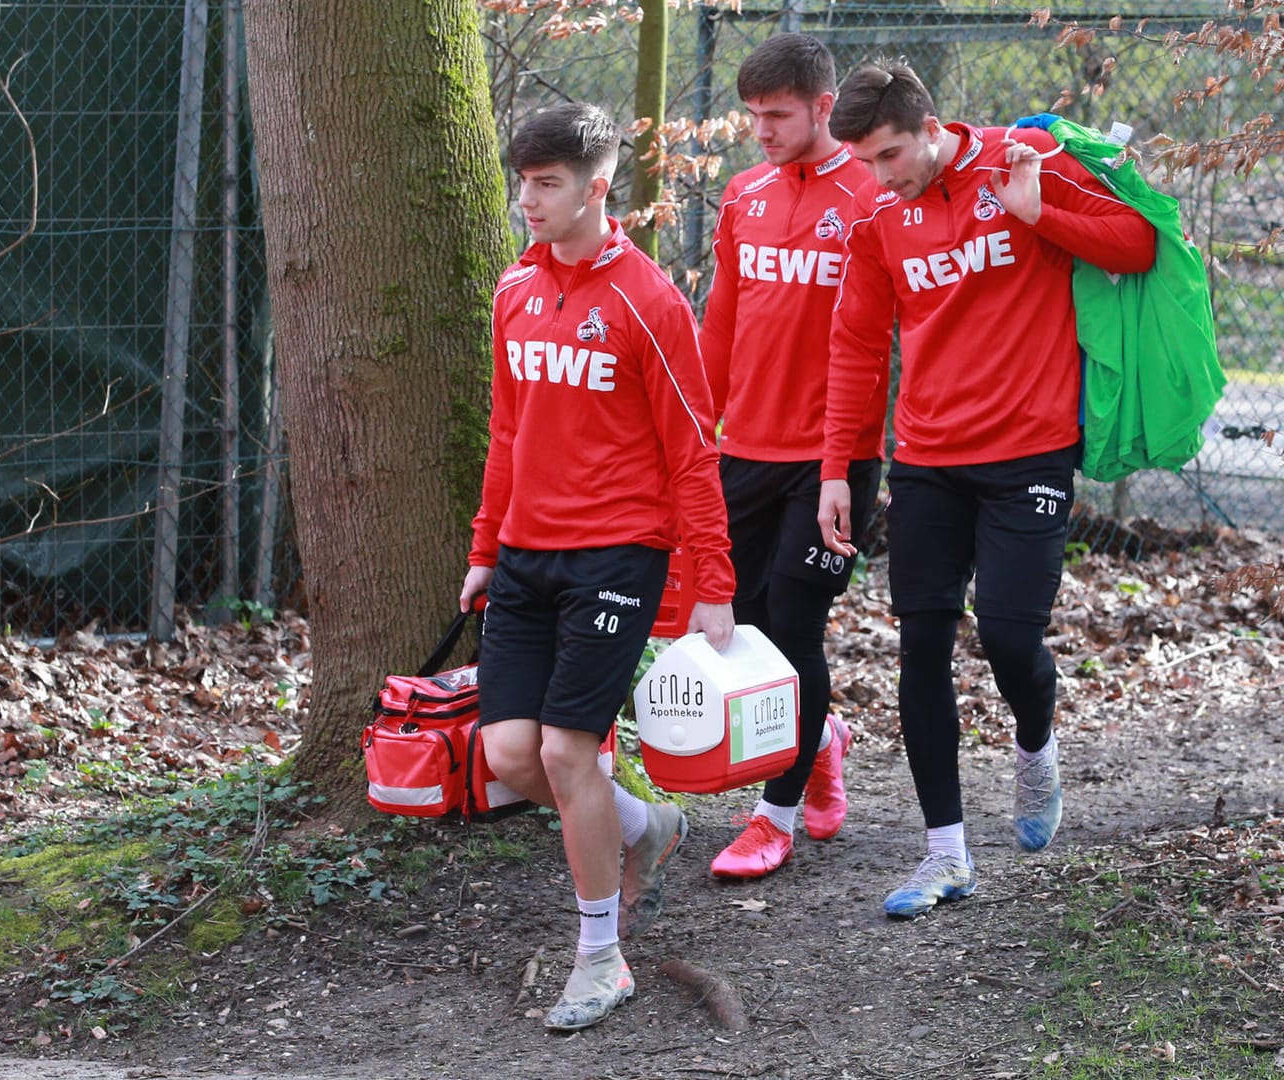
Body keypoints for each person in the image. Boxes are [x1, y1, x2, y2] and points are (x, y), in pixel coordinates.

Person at [816, 64, 1155, 916]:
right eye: (867, 162)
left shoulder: (1021, 159)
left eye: (892, 153)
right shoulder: (876, 216)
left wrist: (1041, 213)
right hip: (927, 459)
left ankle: (1036, 749)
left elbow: (1140, 242)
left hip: (1032, 452)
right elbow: (857, 347)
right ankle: (946, 855)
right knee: (920, 645)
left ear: (929, 124)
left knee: (1009, 639)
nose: (883, 174)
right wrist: (836, 468)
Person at [458, 103, 737, 1032]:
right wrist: (485, 549)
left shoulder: (649, 300)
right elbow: (507, 431)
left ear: (597, 188)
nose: (526, 202)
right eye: (522, 183)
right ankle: (640, 825)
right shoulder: (513, 290)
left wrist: (714, 586)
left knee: (566, 752)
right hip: (527, 558)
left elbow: (696, 452)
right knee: (506, 755)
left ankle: (600, 957)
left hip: (617, 555)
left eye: (547, 185)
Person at [697, 33, 886, 880]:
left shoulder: (875, 191)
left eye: (778, 114)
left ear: (822, 105)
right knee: (754, 629)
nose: (762, 131)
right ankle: (823, 739)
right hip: (747, 449)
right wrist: (698, 427)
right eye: (752, 116)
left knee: (797, 628)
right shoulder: (744, 196)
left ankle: (771, 817)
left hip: (837, 455)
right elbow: (723, 325)